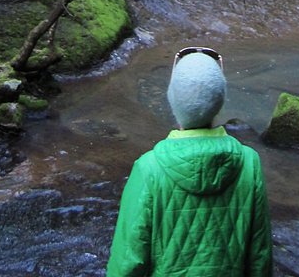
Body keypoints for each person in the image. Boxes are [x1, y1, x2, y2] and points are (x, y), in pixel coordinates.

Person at [106, 45, 273, 277]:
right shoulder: (249, 164)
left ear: (172, 99)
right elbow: (260, 256)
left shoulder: (148, 168)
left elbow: (127, 262)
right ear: (221, 99)